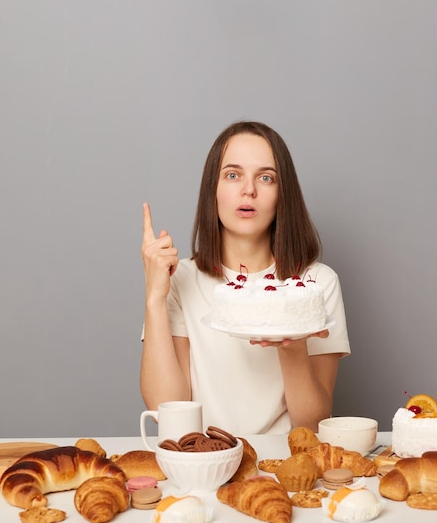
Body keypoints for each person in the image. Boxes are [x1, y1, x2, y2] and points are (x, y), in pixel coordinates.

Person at [140, 121, 350, 435]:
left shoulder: (317, 284)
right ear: (213, 189)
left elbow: (312, 424)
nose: (248, 190)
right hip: (202, 462)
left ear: (283, 195)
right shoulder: (180, 279)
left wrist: (291, 346)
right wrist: (155, 297)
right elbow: (164, 408)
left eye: (266, 178)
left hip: (282, 468)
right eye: (233, 175)